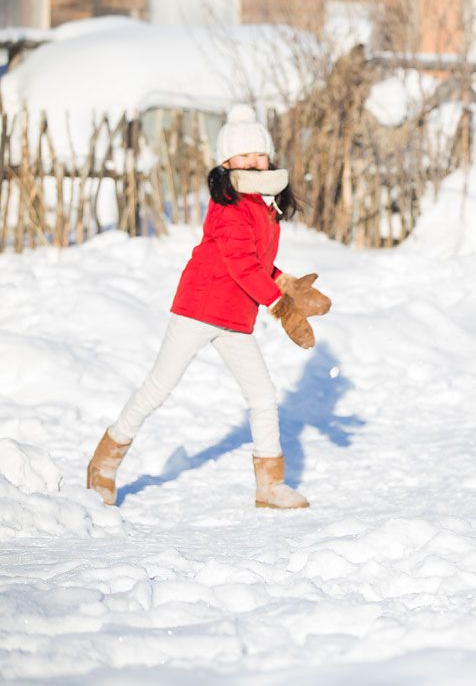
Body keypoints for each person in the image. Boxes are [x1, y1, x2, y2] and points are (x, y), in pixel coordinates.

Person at [86, 105, 332, 509]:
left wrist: (285, 282)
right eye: (243, 155)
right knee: (158, 388)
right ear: (227, 162)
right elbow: (241, 264)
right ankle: (104, 464)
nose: (253, 161)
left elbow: (257, 263)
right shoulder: (231, 205)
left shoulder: (263, 205)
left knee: (262, 395)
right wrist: (280, 305)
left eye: (259, 154)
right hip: (199, 309)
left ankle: (270, 485)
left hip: (236, 317)